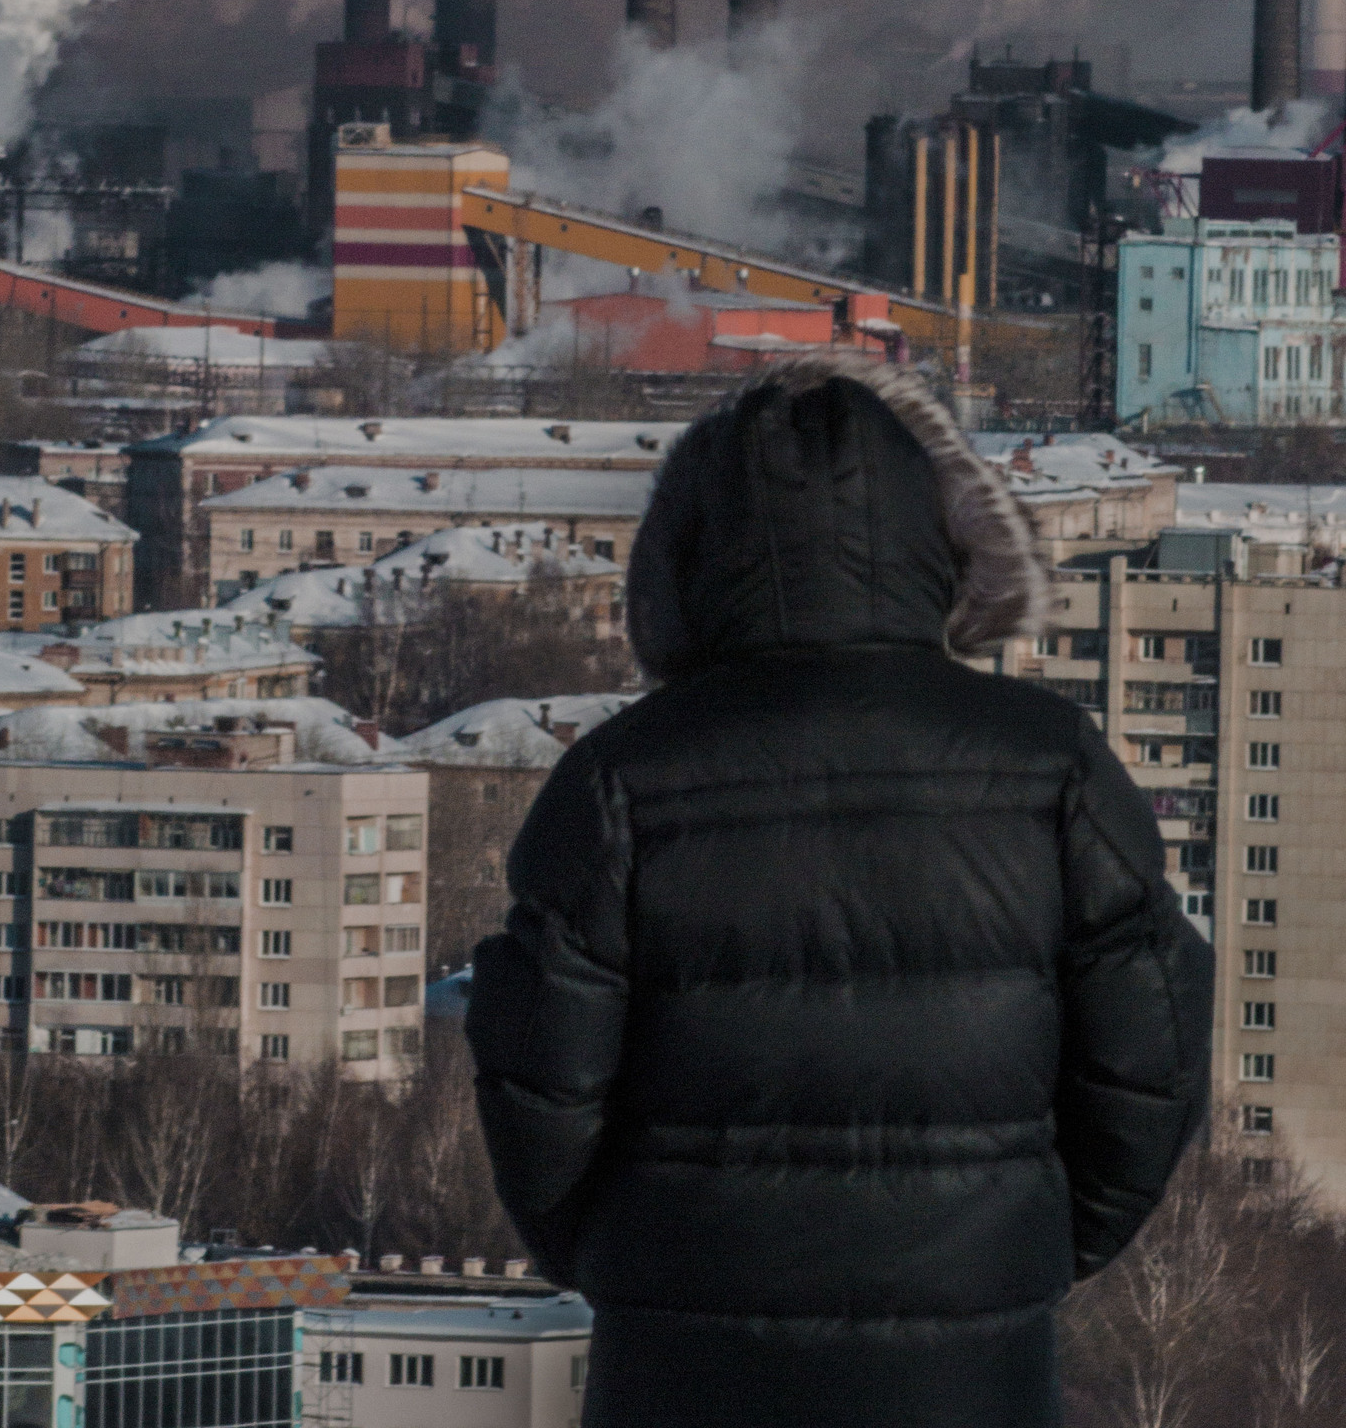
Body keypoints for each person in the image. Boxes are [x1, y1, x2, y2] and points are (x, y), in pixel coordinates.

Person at [465, 354, 1214, 1428]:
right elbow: (1151, 1054)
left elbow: (538, 1087)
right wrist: (1033, 1244)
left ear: (682, 561)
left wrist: (620, 1255)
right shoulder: (1050, 764)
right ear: (941, 547)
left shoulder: (621, 778)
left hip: (683, 1358)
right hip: (973, 1362)